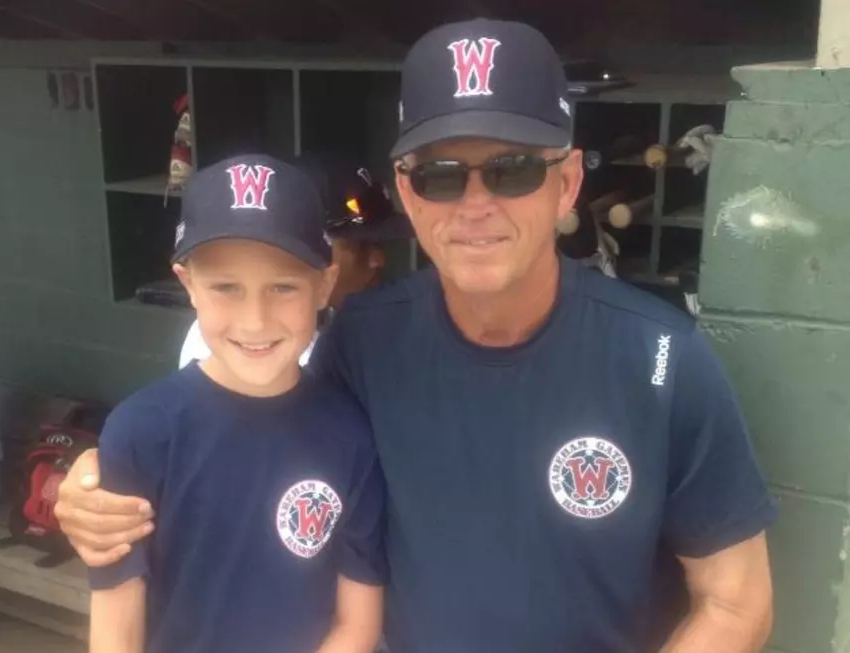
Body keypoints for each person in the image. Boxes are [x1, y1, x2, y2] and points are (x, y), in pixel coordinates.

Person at [55, 19, 776, 653]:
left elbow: (738, 602)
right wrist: (98, 479)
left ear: (566, 185)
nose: (475, 204)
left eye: (513, 169)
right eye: (439, 176)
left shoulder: (658, 359)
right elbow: (241, 428)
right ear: (406, 193)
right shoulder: (361, 344)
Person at [89, 154, 386, 653]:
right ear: (187, 284)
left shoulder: (350, 435)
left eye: (283, 286)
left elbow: (357, 624)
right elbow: (116, 620)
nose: (254, 320)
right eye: (226, 287)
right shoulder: (140, 431)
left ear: (325, 285)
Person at [178, 153, 412, 369]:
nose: (377, 260)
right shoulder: (256, 347)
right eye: (360, 246)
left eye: (379, 245)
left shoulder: (340, 321)